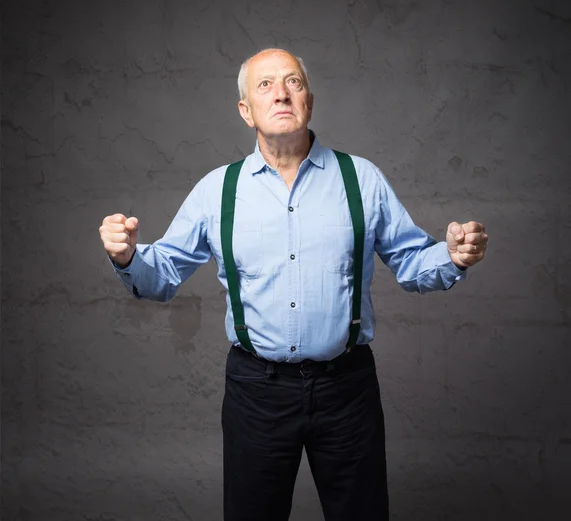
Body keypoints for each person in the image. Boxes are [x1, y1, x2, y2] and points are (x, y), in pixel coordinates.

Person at [99, 48, 488, 521]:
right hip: (255, 394)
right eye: (264, 85)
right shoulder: (217, 191)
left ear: (309, 99)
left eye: (293, 82)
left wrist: (450, 255)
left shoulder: (360, 179)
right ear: (246, 110)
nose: (280, 93)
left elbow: (411, 262)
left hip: (347, 390)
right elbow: (159, 276)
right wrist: (126, 256)